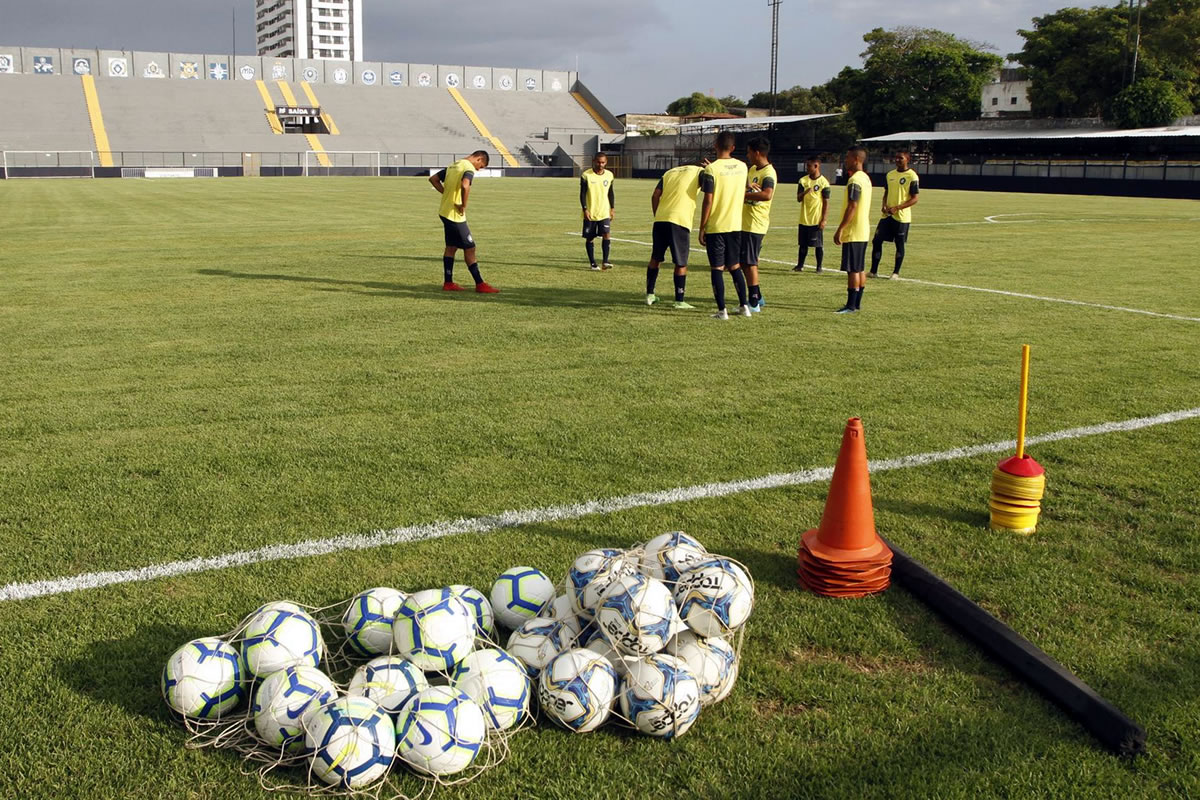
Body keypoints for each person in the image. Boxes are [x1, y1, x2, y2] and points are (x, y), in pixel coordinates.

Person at [429, 150, 499, 293]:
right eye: (481, 167)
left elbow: (433, 179)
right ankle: (480, 284)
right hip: (455, 215)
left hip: (444, 211)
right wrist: (463, 205)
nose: (478, 170)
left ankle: (448, 283)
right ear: (479, 159)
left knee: (451, 247)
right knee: (470, 247)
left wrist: (446, 193)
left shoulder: (454, 165)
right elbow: (465, 185)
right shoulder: (468, 167)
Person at [699, 131, 750, 320]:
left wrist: (702, 226)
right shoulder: (743, 166)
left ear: (715, 146)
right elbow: (743, 189)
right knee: (735, 266)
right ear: (733, 148)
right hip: (736, 225)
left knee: (717, 269)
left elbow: (708, 200)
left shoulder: (711, 170)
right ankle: (744, 306)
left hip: (717, 226)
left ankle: (722, 310)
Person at [645, 162, 703, 309]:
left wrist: (657, 214)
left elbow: (655, 195)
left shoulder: (669, 172)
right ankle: (679, 300)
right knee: (681, 262)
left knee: (655, 258)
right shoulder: (699, 171)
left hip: (661, 219)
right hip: (679, 220)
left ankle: (650, 294)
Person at [833, 146, 872, 313]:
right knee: (860, 267)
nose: (845, 160)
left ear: (856, 159)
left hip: (854, 231)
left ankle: (851, 305)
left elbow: (852, 206)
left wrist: (840, 228)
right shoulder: (865, 178)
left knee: (853, 270)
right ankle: (857, 303)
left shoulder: (855, 180)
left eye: (848, 157)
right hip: (863, 230)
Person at [869, 151, 920, 279]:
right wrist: (884, 205)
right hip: (886, 216)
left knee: (899, 244)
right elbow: (886, 192)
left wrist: (897, 208)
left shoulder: (912, 176)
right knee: (876, 241)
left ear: (907, 159)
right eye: (896, 158)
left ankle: (895, 273)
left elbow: (915, 199)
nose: (897, 160)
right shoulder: (890, 175)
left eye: (900, 158)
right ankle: (873, 271)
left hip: (902, 217)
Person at [741, 137, 776, 313]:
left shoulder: (768, 173)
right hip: (745, 222)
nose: (747, 155)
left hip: (755, 224)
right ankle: (758, 296)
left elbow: (767, 195)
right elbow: (750, 188)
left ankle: (753, 302)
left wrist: (744, 195)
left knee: (750, 262)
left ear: (756, 153)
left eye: (748, 152)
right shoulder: (753, 169)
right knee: (745, 262)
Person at [793, 155, 831, 273]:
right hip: (804, 218)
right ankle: (800, 265)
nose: (807, 168)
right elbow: (798, 199)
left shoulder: (824, 182)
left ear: (816, 166)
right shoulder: (803, 181)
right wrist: (805, 192)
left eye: (809, 166)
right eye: (806, 165)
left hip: (816, 219)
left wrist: (823, 219)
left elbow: (826, 203)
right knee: (802, 244)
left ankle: (819, 267)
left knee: (818, 244)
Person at [580, 153, 616, 270]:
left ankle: (605, 261)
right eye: (598, 162)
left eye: (603, 162)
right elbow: (582, 194)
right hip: (591, 212)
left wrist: (612, 208)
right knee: (590, 238)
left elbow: (610, 193)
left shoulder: (609, 175)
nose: (600, 165)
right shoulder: (586, 175)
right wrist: (585, 209)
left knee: (606, 234)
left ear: (606, 162)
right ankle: (593, 263)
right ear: (594, 161)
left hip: (604, 211)